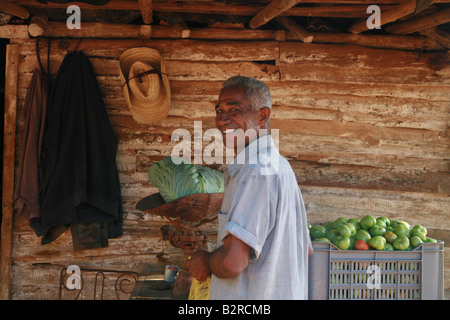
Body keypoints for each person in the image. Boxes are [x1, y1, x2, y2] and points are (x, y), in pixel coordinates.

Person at [186, 76, 312, 300]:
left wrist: (205, 260)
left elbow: (232, 263)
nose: (222, 120)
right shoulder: (278, 164)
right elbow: (307, 249)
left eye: (234, 109)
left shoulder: (255, 170)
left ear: (262, 117)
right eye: (219, 111)